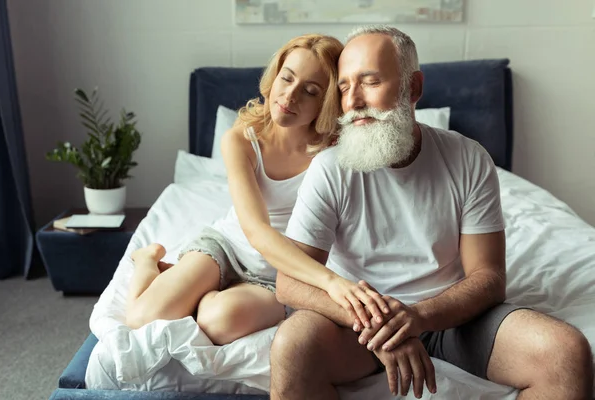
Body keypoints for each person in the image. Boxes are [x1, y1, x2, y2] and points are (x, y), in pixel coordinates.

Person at [270, 25, 594, 400]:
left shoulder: (468, 158)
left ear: (413, 88)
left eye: (370, 82)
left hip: (451, 319)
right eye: (344, 87)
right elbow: (289, 283)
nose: (354, 101)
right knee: (292, 344)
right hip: (357, 328)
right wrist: (384, 326)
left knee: (565, 352)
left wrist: (419, 317)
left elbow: (488, 277)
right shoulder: (329, 169)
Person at [124, 33, 389, 346]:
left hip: (282, 275)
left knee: (218, 322)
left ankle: (196, 292)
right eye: (286, 78)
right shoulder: (241, 140)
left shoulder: (339, 151)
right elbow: (255, 231)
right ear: (274, 76)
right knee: (141, 320)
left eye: (310, 91)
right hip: (227, 247)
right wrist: (331, 282)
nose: (289, 96)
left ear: (327, 101)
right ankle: (147, 259)